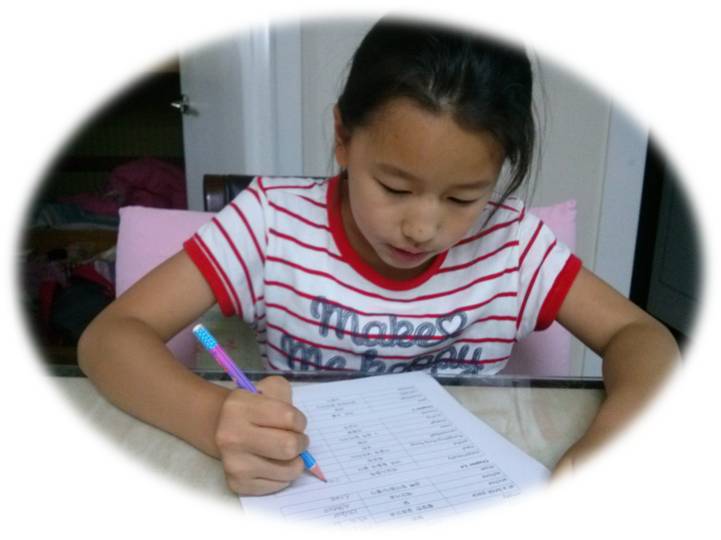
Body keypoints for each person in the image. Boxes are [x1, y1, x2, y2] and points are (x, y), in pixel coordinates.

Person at [78, 17, 680, 496]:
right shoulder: (270, 225)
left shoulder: (513, 245)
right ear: (343, 137)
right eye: (393, 188)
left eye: (463, 198)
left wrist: (608, 445)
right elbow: (109, 338)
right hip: (311, 485)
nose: (421, 228)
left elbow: (642, 337)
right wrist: (212, 418)